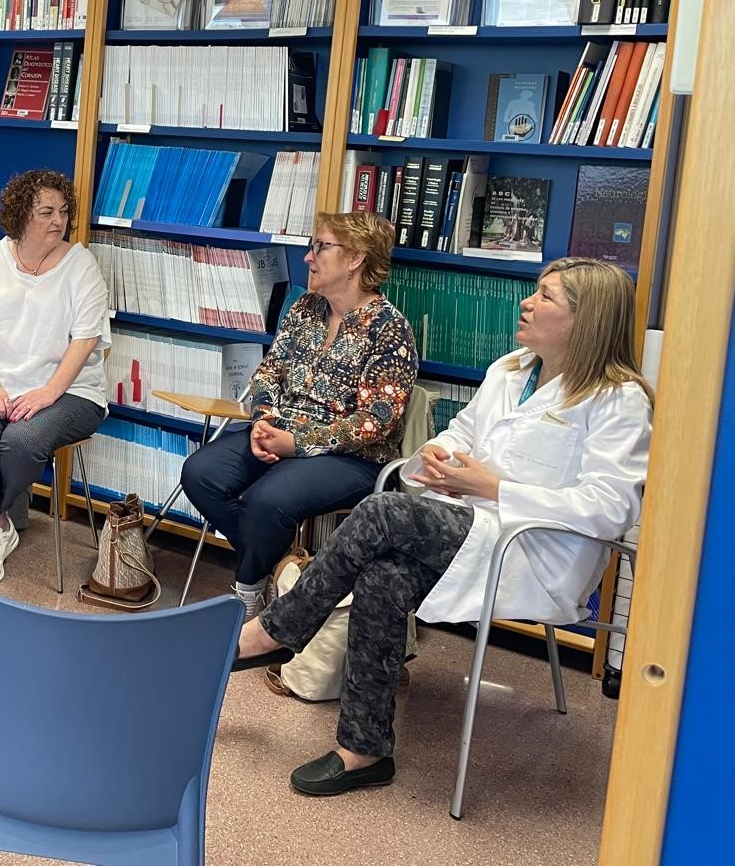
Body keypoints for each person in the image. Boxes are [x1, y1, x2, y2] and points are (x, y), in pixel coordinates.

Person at [233, 257, 652, 796]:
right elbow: (459, 434)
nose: (526, 303)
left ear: (587, 319)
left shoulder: (618, 399)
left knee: (383, 510)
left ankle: (274, 631)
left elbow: (610, 507)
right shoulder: (510, 369)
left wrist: (490, 487)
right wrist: (439, 458)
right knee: (383, 574)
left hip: (536, 554)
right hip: (469, 526)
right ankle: (363, 750)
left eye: (546, 297)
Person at [181, 211, 417, 617]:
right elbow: (268, 372)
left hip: (350, 458)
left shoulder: (389, 328)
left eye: (320, 247)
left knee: (266, 500)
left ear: (356, 258)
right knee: (200, 473)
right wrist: (263, 420)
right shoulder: (305, 308)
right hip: (279, 430)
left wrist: (299, 444)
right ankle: (283, 569)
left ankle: (249, 589)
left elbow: (377, 419)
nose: (309, 257)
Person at [0, 169, 108, 585]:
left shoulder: (81, 265)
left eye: (64, 211)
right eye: (46, 212)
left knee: (20, 441)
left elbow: (86, 339)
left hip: (71, 391)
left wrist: (48, 393)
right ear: (20, 216)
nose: (59, 221)